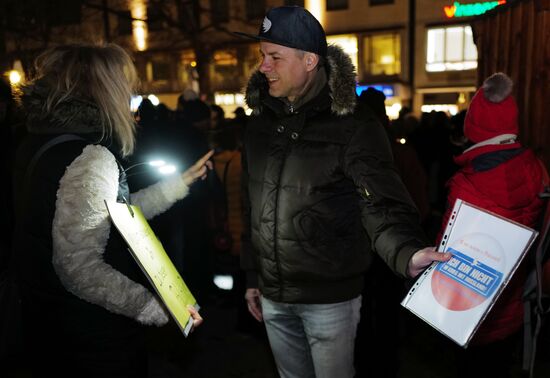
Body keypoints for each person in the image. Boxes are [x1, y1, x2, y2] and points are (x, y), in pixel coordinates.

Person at [235, 6, 450, 378]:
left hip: (328, 301)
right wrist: (253, 277)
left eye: (274, 57)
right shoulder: (259, 125)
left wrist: (407, 251)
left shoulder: (354, 125)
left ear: (309, 60)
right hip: (272, 296)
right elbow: (251, 206)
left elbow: (380, 201)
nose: (263, 67)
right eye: (262, 57)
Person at [11, 43, 211, 377]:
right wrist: (158, 307)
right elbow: (79, 268)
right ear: (104, 89)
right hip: (90, 337)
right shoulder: (89, 157)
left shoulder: (39, 141)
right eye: (126, 85)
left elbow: (106, 216)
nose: (132, 94)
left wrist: (178, 185)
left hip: (46, 321)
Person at [439, 72, 545, 378]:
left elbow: (446, 254)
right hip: (513, 307)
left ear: (474, 126)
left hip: (468, 315)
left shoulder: (466, 183)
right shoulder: (538, 169)